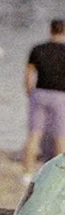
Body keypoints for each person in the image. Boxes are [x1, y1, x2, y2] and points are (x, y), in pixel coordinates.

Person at [21, 16, 65, 177]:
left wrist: (29, 91)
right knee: (60, 136)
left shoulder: (38, 49)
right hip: (60, 95)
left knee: (34, 134)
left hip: (40, 93)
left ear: (50, 29)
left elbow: (29, 73)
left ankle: (27, 172)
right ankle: (59, 174)